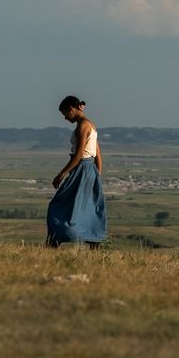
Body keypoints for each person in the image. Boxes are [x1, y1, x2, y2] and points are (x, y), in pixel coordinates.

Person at [45, 95, 107, 248]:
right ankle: (93, 241)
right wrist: (96, 174)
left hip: (81, 168)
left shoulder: (82, 126)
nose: (66, 118)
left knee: (57, 205)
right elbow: (98, 154)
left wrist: (61, 174)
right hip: (89, 169)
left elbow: (79, 155)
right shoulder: (91, 125)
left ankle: (55, 240)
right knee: (88, 206)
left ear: (71, 109)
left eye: (65, 114)